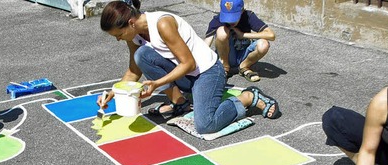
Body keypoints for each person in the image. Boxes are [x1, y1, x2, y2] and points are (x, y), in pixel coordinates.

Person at [98, 0, 280, 135]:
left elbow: (189, 63)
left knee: (206, 125)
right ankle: (180, 104)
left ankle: (248, 97)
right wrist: (113, 93)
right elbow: (133, 72)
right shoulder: (134, 34)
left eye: (119, 34)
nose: (118, 39)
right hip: (185, 76)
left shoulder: (162, 23)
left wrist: (156, 84)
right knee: (141, 56)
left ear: (130, 23)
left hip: (207, 72)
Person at [204, 0, 275, 82]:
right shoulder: (217, 20)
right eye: (227, 16)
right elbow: (206, 45)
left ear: (242, 11)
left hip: (244, 54)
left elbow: (271, 35)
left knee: (264, 44)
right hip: (227, 56)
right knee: (221, 32)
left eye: (234, 16)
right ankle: (225, 68)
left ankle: (244, 66)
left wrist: (243, 35)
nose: (230, 21)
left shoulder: (248, 16)